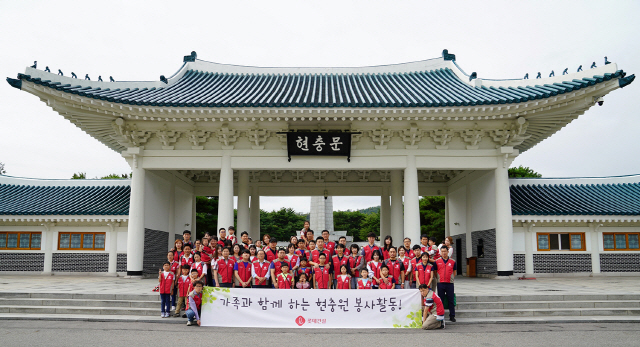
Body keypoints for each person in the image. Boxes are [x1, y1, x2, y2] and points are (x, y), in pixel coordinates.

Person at [433, 246, 456, 322]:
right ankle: (441, 316)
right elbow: (435, 272)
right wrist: (439, 278)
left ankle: (452, 316)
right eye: (442, 251)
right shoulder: (437, 261)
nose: (444, 253)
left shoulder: (453, 261)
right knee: (441, 300)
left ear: (448, 251)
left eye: (445, 251)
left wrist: (451, 278)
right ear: (440, 252)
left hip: (450, 283)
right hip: (440, 283)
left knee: (451, 300)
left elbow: (454, 272)